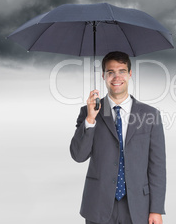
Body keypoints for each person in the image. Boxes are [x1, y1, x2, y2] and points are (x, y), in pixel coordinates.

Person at [70, 51, 166, 224]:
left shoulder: (151, 115)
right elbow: (78, 156)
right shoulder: (88, 112)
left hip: (138, 206)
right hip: (98, 204)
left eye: (122, 71)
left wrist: (156, 209)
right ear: (103, 76)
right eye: (110, 72)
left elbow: (157, 166)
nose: (116, 77)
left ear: (130, 74)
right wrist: (91, 119)